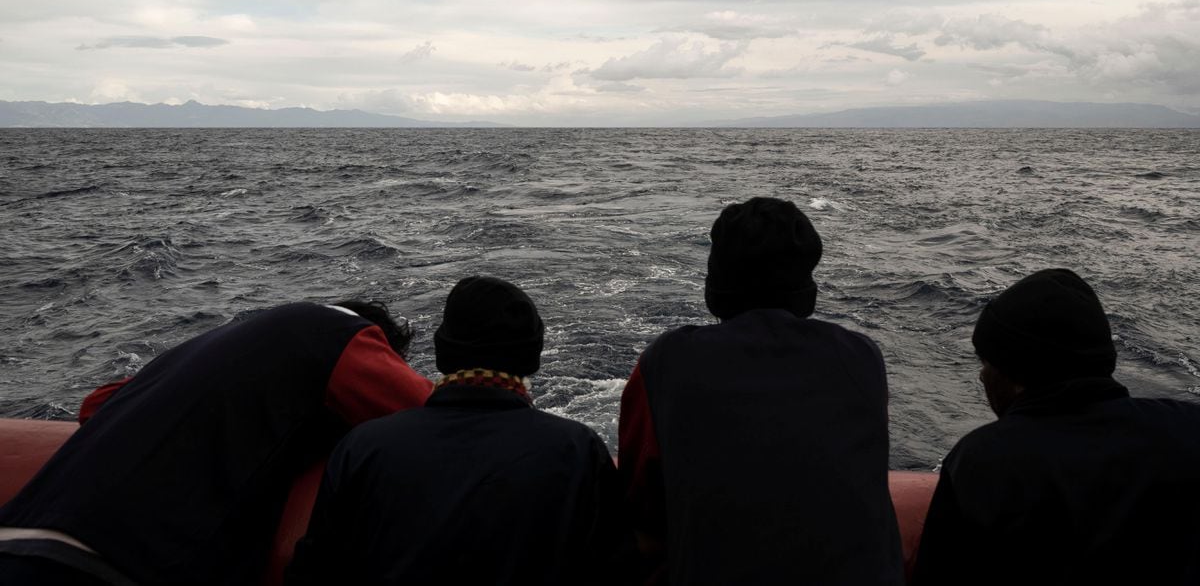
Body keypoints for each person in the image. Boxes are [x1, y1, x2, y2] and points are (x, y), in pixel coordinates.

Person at [0, 299, 432, 586]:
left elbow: (96, 404)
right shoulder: (336, 334)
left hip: (19, 536)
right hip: (119, 562)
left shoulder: (206, 350)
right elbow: (439, 420)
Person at [619, 197, 904, 585]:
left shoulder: (666, 361)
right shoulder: (861, 356)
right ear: (807, 284)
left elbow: (641, 508)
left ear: (716, 282)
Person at [286, 275, 629, 586]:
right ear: (533, 357)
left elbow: (315, 568)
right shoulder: (576, 449)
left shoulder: (363, 446)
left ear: (441, 353)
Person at [912, 268, 1200, 585]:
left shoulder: (983, 461)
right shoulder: (1187, 429)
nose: (982, 376)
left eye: (987, 363)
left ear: (1016, 374)